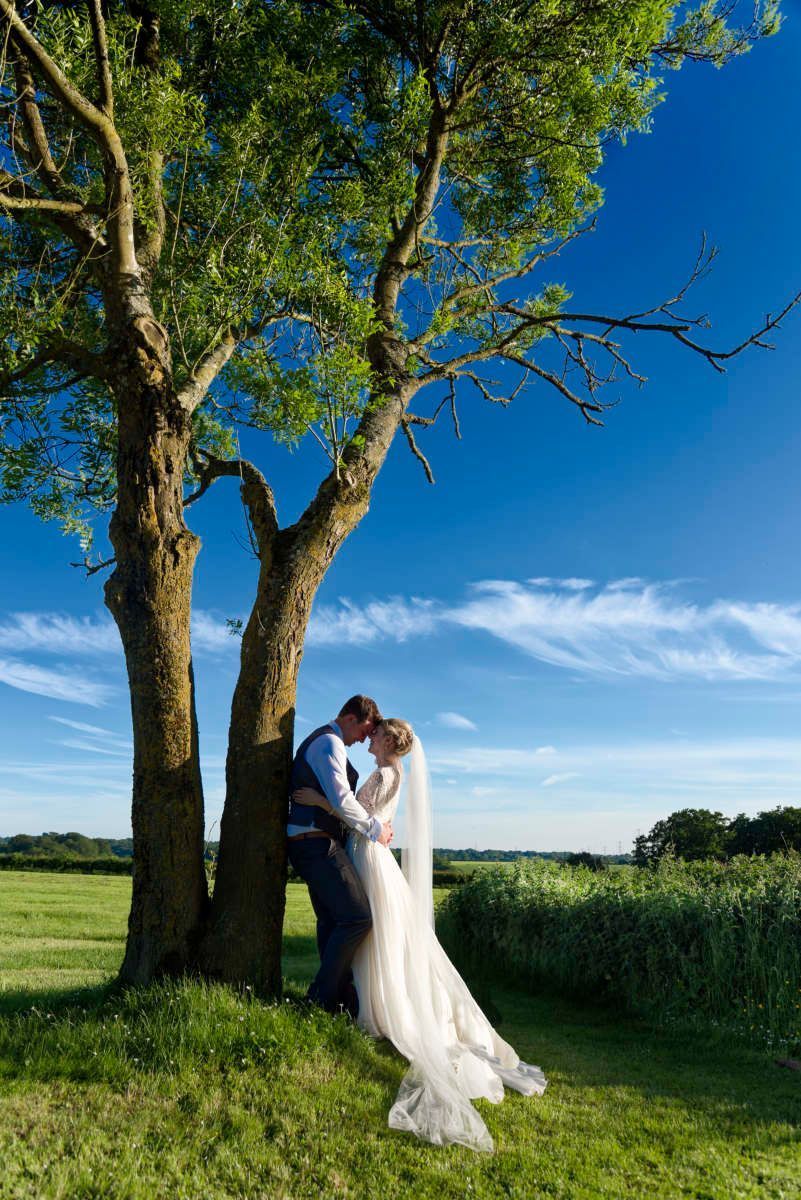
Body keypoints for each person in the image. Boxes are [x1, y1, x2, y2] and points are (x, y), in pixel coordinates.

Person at [292, 717, 547, 1153]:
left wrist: (319, 798)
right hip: (369, 853)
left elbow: (361, 818)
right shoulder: (392, 771)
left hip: (368, 855)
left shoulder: (388, 772)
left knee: (373, 933)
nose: (370, 739)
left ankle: (371, 1007)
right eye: (370, 733)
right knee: (375, 935)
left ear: (390, 740)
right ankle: (357, 1001)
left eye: (377, 734)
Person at [287, 695, 394, 1016]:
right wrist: (375, 829)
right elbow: (343, 799)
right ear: (351, 718)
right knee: (358, 917)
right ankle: (320, 999)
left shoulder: (326, 741)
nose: (364, 738)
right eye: (365, 730)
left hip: (311, 840)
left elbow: (334, 799)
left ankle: (337, 1001)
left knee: (333, 920)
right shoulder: (329, 743)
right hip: (316, 842)